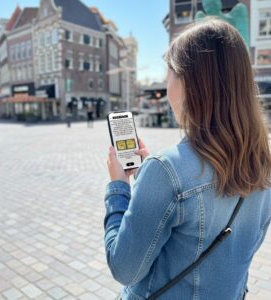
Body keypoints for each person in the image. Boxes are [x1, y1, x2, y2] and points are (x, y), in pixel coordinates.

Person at [104, 18, 271, 300]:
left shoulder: (166, 171)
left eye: (169, 74)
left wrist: (118, 187)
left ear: (187, 83)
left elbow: (124, 268)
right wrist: (151, 181)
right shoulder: (263, 163)